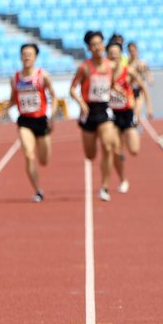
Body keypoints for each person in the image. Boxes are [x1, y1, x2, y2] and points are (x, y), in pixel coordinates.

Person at [70, 30, 120, 202]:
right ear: (89, 48)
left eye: (100, 43)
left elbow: (111, 84)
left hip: (104, 110)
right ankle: (94, 155)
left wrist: (117, 90)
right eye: (94, 45)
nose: (98, 47)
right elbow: (72, 89)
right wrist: (82, 103)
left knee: (108, 147)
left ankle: (104, 187)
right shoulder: (84, 68)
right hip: (88, 112)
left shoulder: (111, 66)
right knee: (90, 155)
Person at [7, 43, 58, 202]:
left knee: (43, 160)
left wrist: (52, 116)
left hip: (41, 120)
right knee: (29, 155)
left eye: (30, 54)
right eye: (24, 54)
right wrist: (5, 108)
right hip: (24, 121)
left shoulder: (43, 76)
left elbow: (54, 97)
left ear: (35, 57)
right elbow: (13, 98)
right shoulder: (15, 78)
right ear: (20, 56)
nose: (27, 57)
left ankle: (38, 187)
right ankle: (37, 191)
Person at [106, 41, 153, 192]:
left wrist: (149, 106)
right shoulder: (103, 72)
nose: (113, 56)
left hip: (127, 113)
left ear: (120, 55)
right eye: (110, 54)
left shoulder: (129, 71)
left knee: (134, 150)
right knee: (114, 149)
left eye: (115, 53)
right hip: (111, 114)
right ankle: (122, 180)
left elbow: (144, 87)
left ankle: (125, 140)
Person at [127, 41, 153, 122]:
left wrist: (149, 77)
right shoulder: (126, 63)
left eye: (134, 50)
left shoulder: (141, 63)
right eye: (130, 51)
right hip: (129, 91)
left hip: (139, 91)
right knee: (129, 115)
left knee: (136, 115)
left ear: (137, 51)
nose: (133, 53)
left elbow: (148, 73)